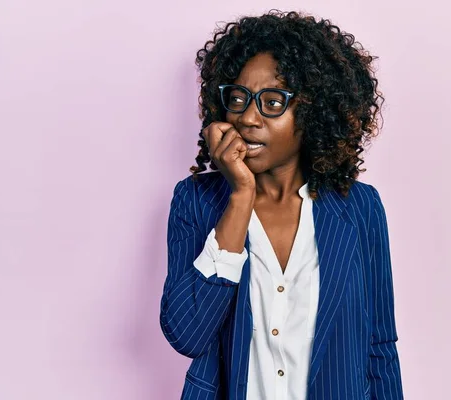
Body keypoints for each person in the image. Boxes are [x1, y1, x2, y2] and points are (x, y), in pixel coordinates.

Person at [160, 10, 403, 400]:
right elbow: (187, 333)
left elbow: (379, 347)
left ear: (314, 112)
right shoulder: (196, 201)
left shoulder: (361, 208)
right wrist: (240, 196)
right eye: (237, 98)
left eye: (273, 101)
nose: (248, 118)